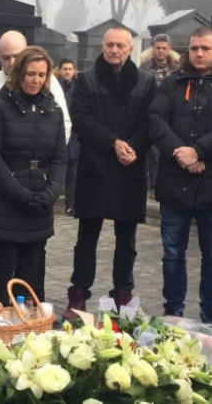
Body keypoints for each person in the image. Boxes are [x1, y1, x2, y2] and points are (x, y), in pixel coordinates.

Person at [149, 27, 212, 322]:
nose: (199, 54)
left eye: (205, 48)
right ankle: (173, 312)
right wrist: (182, 153)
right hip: (176, 179)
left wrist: (200, 152)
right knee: (172, 252)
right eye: (194, 48)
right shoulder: (173, 82)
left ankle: (210, 314)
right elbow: (156, 120)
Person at [62, 27, 156, 319]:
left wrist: (133, 147)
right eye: (110, 45)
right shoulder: (87, 79)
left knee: (127, 238)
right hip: (96, 164)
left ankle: (123, 291)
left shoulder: (146, 81)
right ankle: (79, 292)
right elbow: (81, 119)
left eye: (120, 45)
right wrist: (113, 143)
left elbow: (151, 120)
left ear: (130, 49)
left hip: (130, 166)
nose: (114, 50)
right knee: (87, 236)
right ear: (102, 47)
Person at [0, 46, 67, 306]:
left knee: (33, 268)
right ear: (19, 73)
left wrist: (51, 192)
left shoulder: (54, 111)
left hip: (40, 199)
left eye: (41, 75)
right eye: (30, 74)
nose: (35, 80)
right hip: (5, 201)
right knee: (3, 267)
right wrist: (19, 193)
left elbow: (59, 157)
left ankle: (30, 320)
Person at [0, 30, 72, 143]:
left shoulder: (49, 81)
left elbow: (64, 124)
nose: (12, 62)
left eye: (17, 56)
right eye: (6, 57)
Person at [141, 34, 181, 198]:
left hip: (172, 114)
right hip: (150, 114)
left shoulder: (177, 68)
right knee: (153, 153)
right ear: (153, 49)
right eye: (158, 48)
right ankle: (153, 186)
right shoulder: (144, 68)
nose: (161, 51)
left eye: (164, 48)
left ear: (169, 49)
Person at [57, 57, 80, 215]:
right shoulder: (55, 87)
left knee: (73, 171)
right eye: (64, 69)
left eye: (70, 69)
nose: (67, 72)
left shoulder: (78, 87)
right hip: (59, 131)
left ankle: (71, 203)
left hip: (75, 134)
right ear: (59, 70)